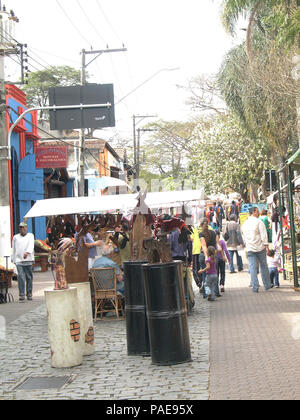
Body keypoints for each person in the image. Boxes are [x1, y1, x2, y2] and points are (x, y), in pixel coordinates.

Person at [242, 206, 273, 293]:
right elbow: (264, 235)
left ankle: (255, 287)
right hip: (260, 247)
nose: (258, 212)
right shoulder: (259, 222)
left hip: (250, 248)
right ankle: (267, 284)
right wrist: (267, 247)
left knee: (252, 267)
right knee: (263, 266)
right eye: (257, 211)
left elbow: (244, 236)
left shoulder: (245, 223)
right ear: (254, 212)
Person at [12, 222, 35, 302]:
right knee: (20, 277)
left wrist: (27, 252)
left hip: (28, 259)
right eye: (20, 228)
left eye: (23, 227)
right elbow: (14, 248)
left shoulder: (30, 236)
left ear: (26, 228)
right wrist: (13, 259)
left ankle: (29, 293)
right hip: (19, 260)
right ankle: (21, 294)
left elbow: (31, 245)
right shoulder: (15, 237)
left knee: (29, 277)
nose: (22, 229)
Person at [198, 217, 218, 299]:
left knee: (205, 274)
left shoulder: (201, 234)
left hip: (204, 256)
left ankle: (206, 293)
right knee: (214, 272)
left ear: (201, 225)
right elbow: (216, 244)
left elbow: (203, 245)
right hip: (214, 255)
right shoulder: (213, 232)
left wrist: (206, 256)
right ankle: (216, 292)